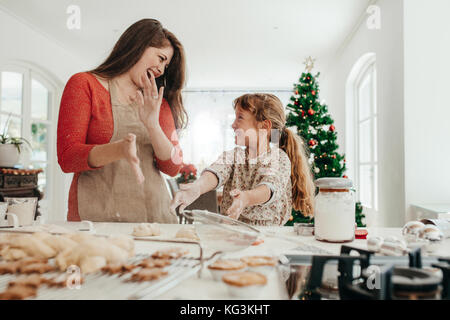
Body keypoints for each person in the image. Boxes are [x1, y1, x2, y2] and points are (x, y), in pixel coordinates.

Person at [57, 19, 187, 223]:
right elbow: (68, 158)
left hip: (154, 217)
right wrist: (118, 150)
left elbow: (173, 167)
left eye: (166, 65)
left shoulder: (158, 103)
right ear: (139, 46)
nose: (162, 69)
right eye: (161, 58)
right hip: (96, 218)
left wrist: (152, 125)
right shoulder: (85, 84)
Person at [170, 93, 315, 226]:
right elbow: (216, 172)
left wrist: (246, 198)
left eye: (240, 117)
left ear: (264, 126)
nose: (233, 125)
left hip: (267, 238)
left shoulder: (278, 159)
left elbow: (269, 188)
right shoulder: (234, 156)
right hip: (232, 234)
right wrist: (197, 187)